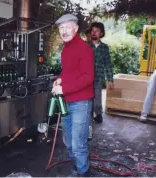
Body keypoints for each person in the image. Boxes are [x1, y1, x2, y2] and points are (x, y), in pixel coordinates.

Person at [51, 14, 95, 177]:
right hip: (67, 102)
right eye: (61, 28)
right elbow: (68, 72)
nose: (64, 31)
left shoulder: (84, 49)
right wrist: (59, 80)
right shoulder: (67, 49)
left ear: (75, 29)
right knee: (68, 142)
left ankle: (83, 172)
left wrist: (64, 89)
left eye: (67, 27)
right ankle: (76, 168)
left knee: (78, 143)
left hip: (80, 103)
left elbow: (87, 77)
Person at [87, 22, 114, 123]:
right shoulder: (85, 45)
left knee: (97, 98)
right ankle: (87, 115)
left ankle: (98, 114)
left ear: (101, 33)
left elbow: (108, 64)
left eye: (96, 31)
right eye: (92, 31)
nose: (94, 33)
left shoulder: (104, 48)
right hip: (85, 79)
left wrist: (110, 79)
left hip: (98, 78)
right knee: (86, 98)